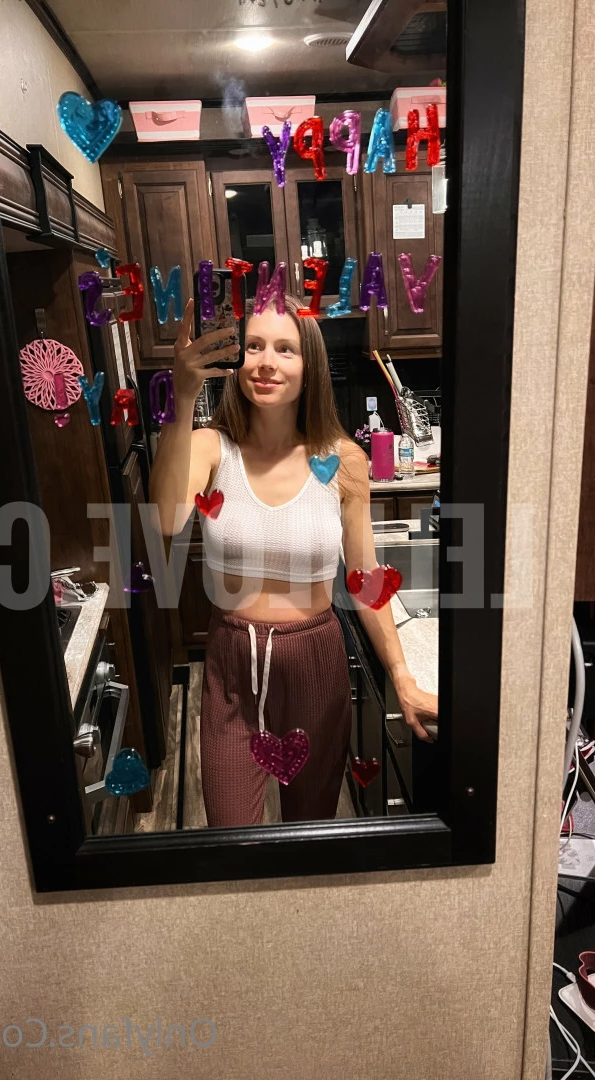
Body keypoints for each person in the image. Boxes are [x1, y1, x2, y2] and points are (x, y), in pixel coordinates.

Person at [150, 294, 438, 827]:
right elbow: (166, 519)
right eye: (254, 346)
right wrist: (182, 395)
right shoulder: (211, 448)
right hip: (232, 663)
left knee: (311, 831)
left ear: (310, 365)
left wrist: (402, 676)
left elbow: (364, 578)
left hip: (316, 662)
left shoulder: (343, 460)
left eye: (285, 349)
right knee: (231, 835)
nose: (266, 362)